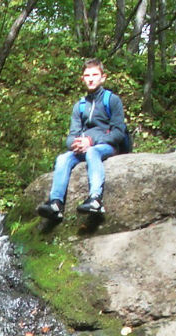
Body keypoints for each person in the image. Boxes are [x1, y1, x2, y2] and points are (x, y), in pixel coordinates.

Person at [35, 59, 127, 223]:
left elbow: (118, 133)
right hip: (85, 147)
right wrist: (74, 144)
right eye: (87, 75)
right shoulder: (80, 105)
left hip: (107, 146)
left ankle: (95, 200)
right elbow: (72, 135)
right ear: (82, 79)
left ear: (103, 77)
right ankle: (56, 204)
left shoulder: (112, 100)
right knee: (63, 158)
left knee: (92, 152)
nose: (91, 79)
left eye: (94, 75)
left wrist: (91, 141)